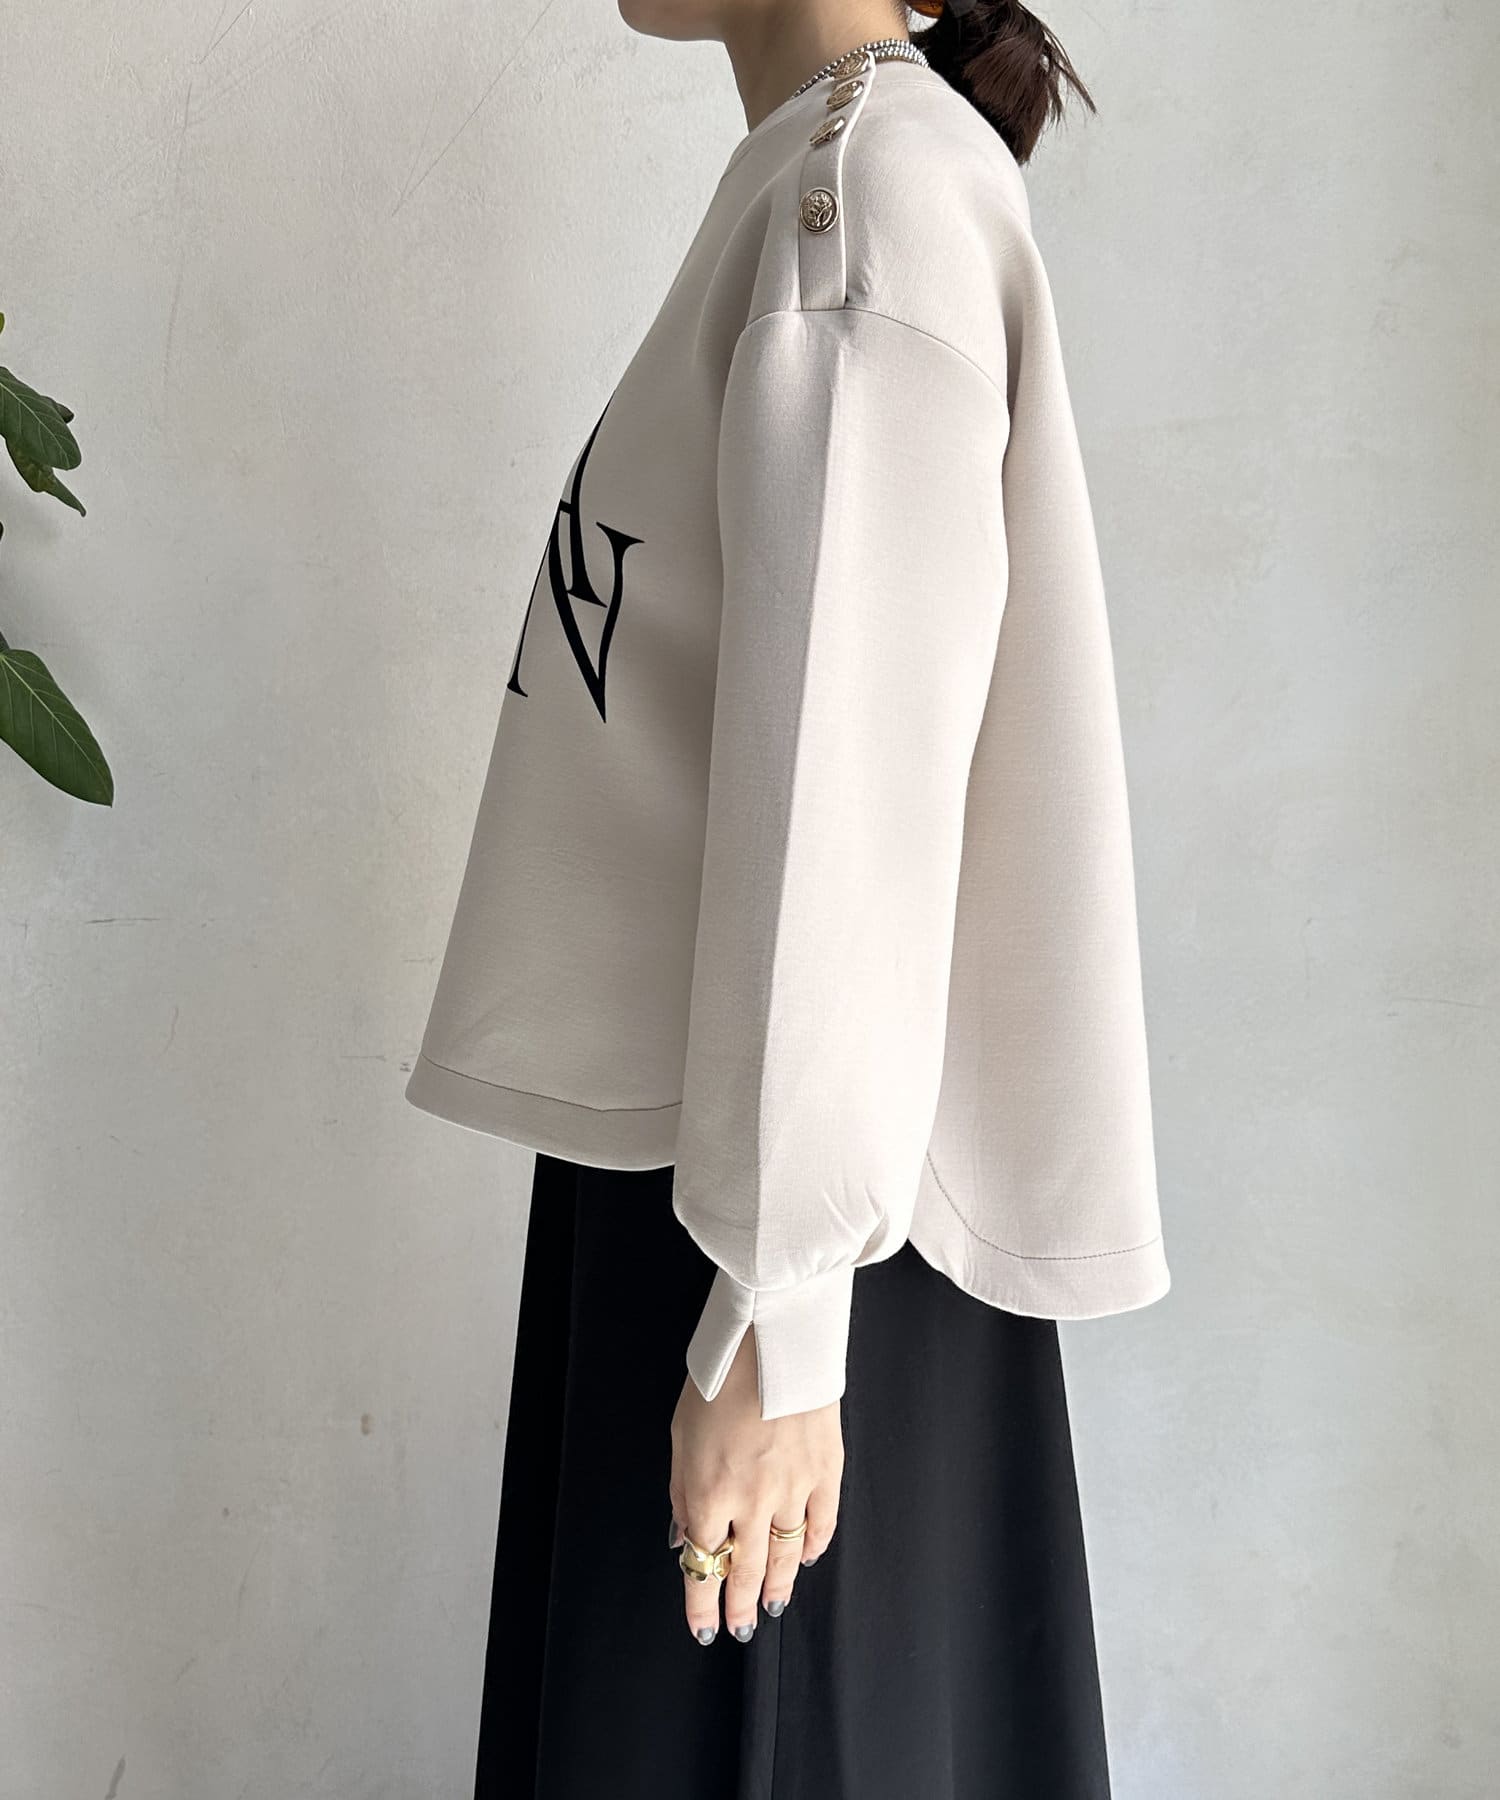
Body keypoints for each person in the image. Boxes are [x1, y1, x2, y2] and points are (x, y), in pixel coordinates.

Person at [404, 2, 1170, 1793]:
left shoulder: (865, 192)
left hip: (785, 1223)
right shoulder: (826, 175)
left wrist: (774, 1319)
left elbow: (852, 776)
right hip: (753, 1168)